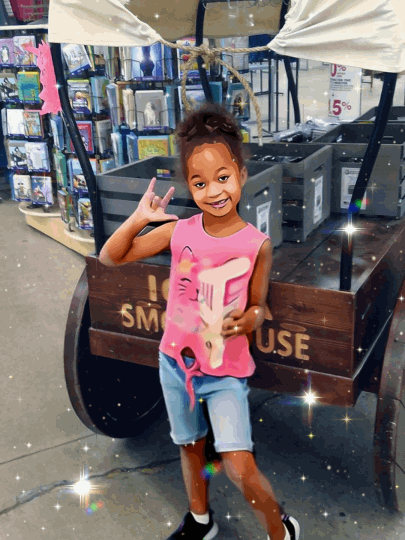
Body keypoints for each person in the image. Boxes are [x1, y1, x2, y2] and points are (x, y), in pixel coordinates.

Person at [98, 103, 300, 540]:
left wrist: (248, 320)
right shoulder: (179, 231)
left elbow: (259, 306)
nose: (213, 191)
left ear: (241, 175)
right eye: (200, 182)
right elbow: (110, 257)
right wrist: (137, 220)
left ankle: (281, 529)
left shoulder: (257, 244)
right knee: (189, 445)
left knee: (238, 464)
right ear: (190, 186)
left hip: (225, 373)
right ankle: (200, 520)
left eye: (223, 178)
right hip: (175, 364)